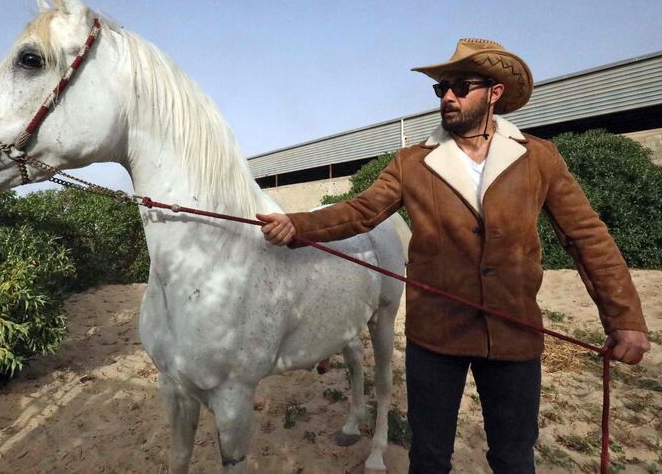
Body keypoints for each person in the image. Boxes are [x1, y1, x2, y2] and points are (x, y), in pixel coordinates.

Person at [257, 38, 650, 473]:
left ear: (494, 93)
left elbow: (586, 236)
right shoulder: (412, 162)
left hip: (513, 335)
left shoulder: (539, 158)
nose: (447, 96)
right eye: (441, 88)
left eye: (460, 86)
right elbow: (362, 211)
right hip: (436, 338)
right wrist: (298, 225)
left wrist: (624, 318)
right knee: (428, 458)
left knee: (514, 458)